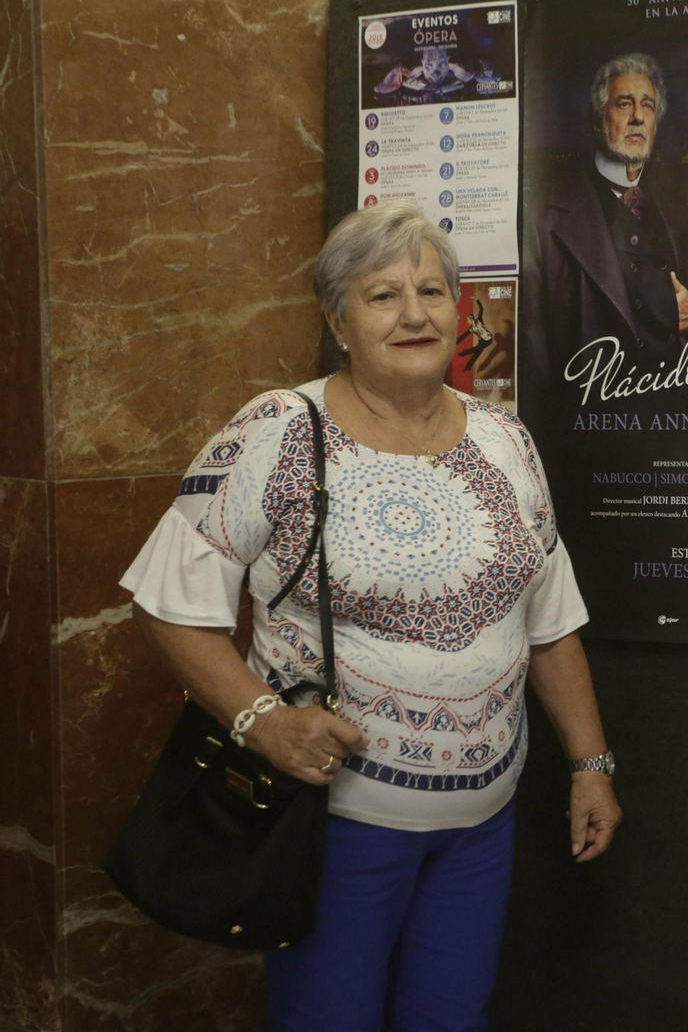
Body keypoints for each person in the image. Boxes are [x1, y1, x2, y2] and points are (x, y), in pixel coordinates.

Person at [120, 200, 622, 1032]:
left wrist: (589, 762)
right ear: (337, 319)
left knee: (453, 1020)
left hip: (480, 827)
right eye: (383, 294)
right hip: (338, 826)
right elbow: (167, 608)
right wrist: (265, 722)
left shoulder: (507, 439)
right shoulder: (278, 432)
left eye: (432, 290)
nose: (415, 312)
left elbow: (549, 619)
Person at [525, 52, 688, 389]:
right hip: (591, 420)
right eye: (625, 104)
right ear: (598, 121)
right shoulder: (542, 216)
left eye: (648, 106)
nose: (638, 117)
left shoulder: (676, 208)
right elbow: (533, 344)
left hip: (669, 412)